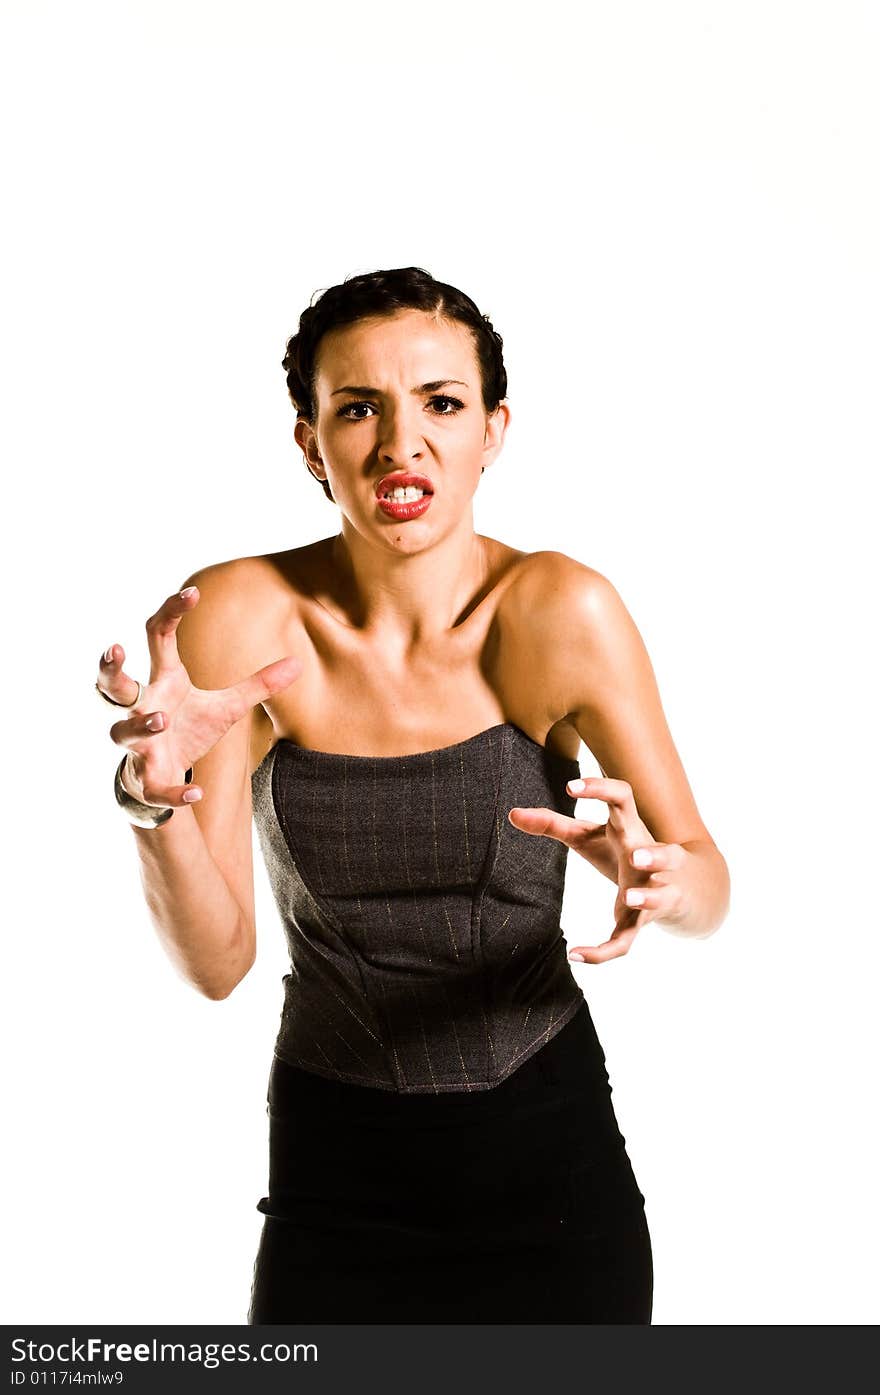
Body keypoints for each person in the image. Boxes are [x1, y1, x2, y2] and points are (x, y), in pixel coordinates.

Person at [95, 266, 730, 1324]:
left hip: (552, 1176)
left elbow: (705, 879)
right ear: (310, 442)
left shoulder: (555, 609)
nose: (403, 444)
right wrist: (153, 798)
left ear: (493, 429)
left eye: (441, 403)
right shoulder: (244, 621)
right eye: (359, 408)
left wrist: (659, 885)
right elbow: (216, 968)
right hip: (332, 1175)